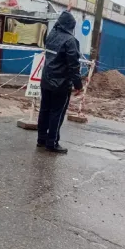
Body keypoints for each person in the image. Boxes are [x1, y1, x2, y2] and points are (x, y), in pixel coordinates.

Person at [37, 11, 84, 154]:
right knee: (57, 113)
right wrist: (78, 85)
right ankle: (52, 142)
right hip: (61, 83)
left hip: (46, 80)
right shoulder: (71, 41)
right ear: (71, 26)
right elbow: (73, 65)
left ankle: (41, 139)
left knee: (44, 110)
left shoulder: (51, 36)